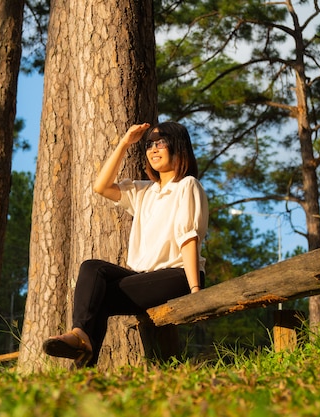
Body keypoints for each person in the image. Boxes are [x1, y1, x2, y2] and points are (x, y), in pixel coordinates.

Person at [42, 121, 209, 368]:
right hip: (144, 279)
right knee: (92, 269)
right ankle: (81, 342)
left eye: (161, 143)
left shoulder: (187, 185)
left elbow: (189, 237)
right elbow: (102, 186)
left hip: (179, 276)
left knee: (96, 298)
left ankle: (81, 368)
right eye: (149, 145)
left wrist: (195, 290)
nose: (153, 150)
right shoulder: (146, 192)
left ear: (178, 147)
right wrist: (124, 143)